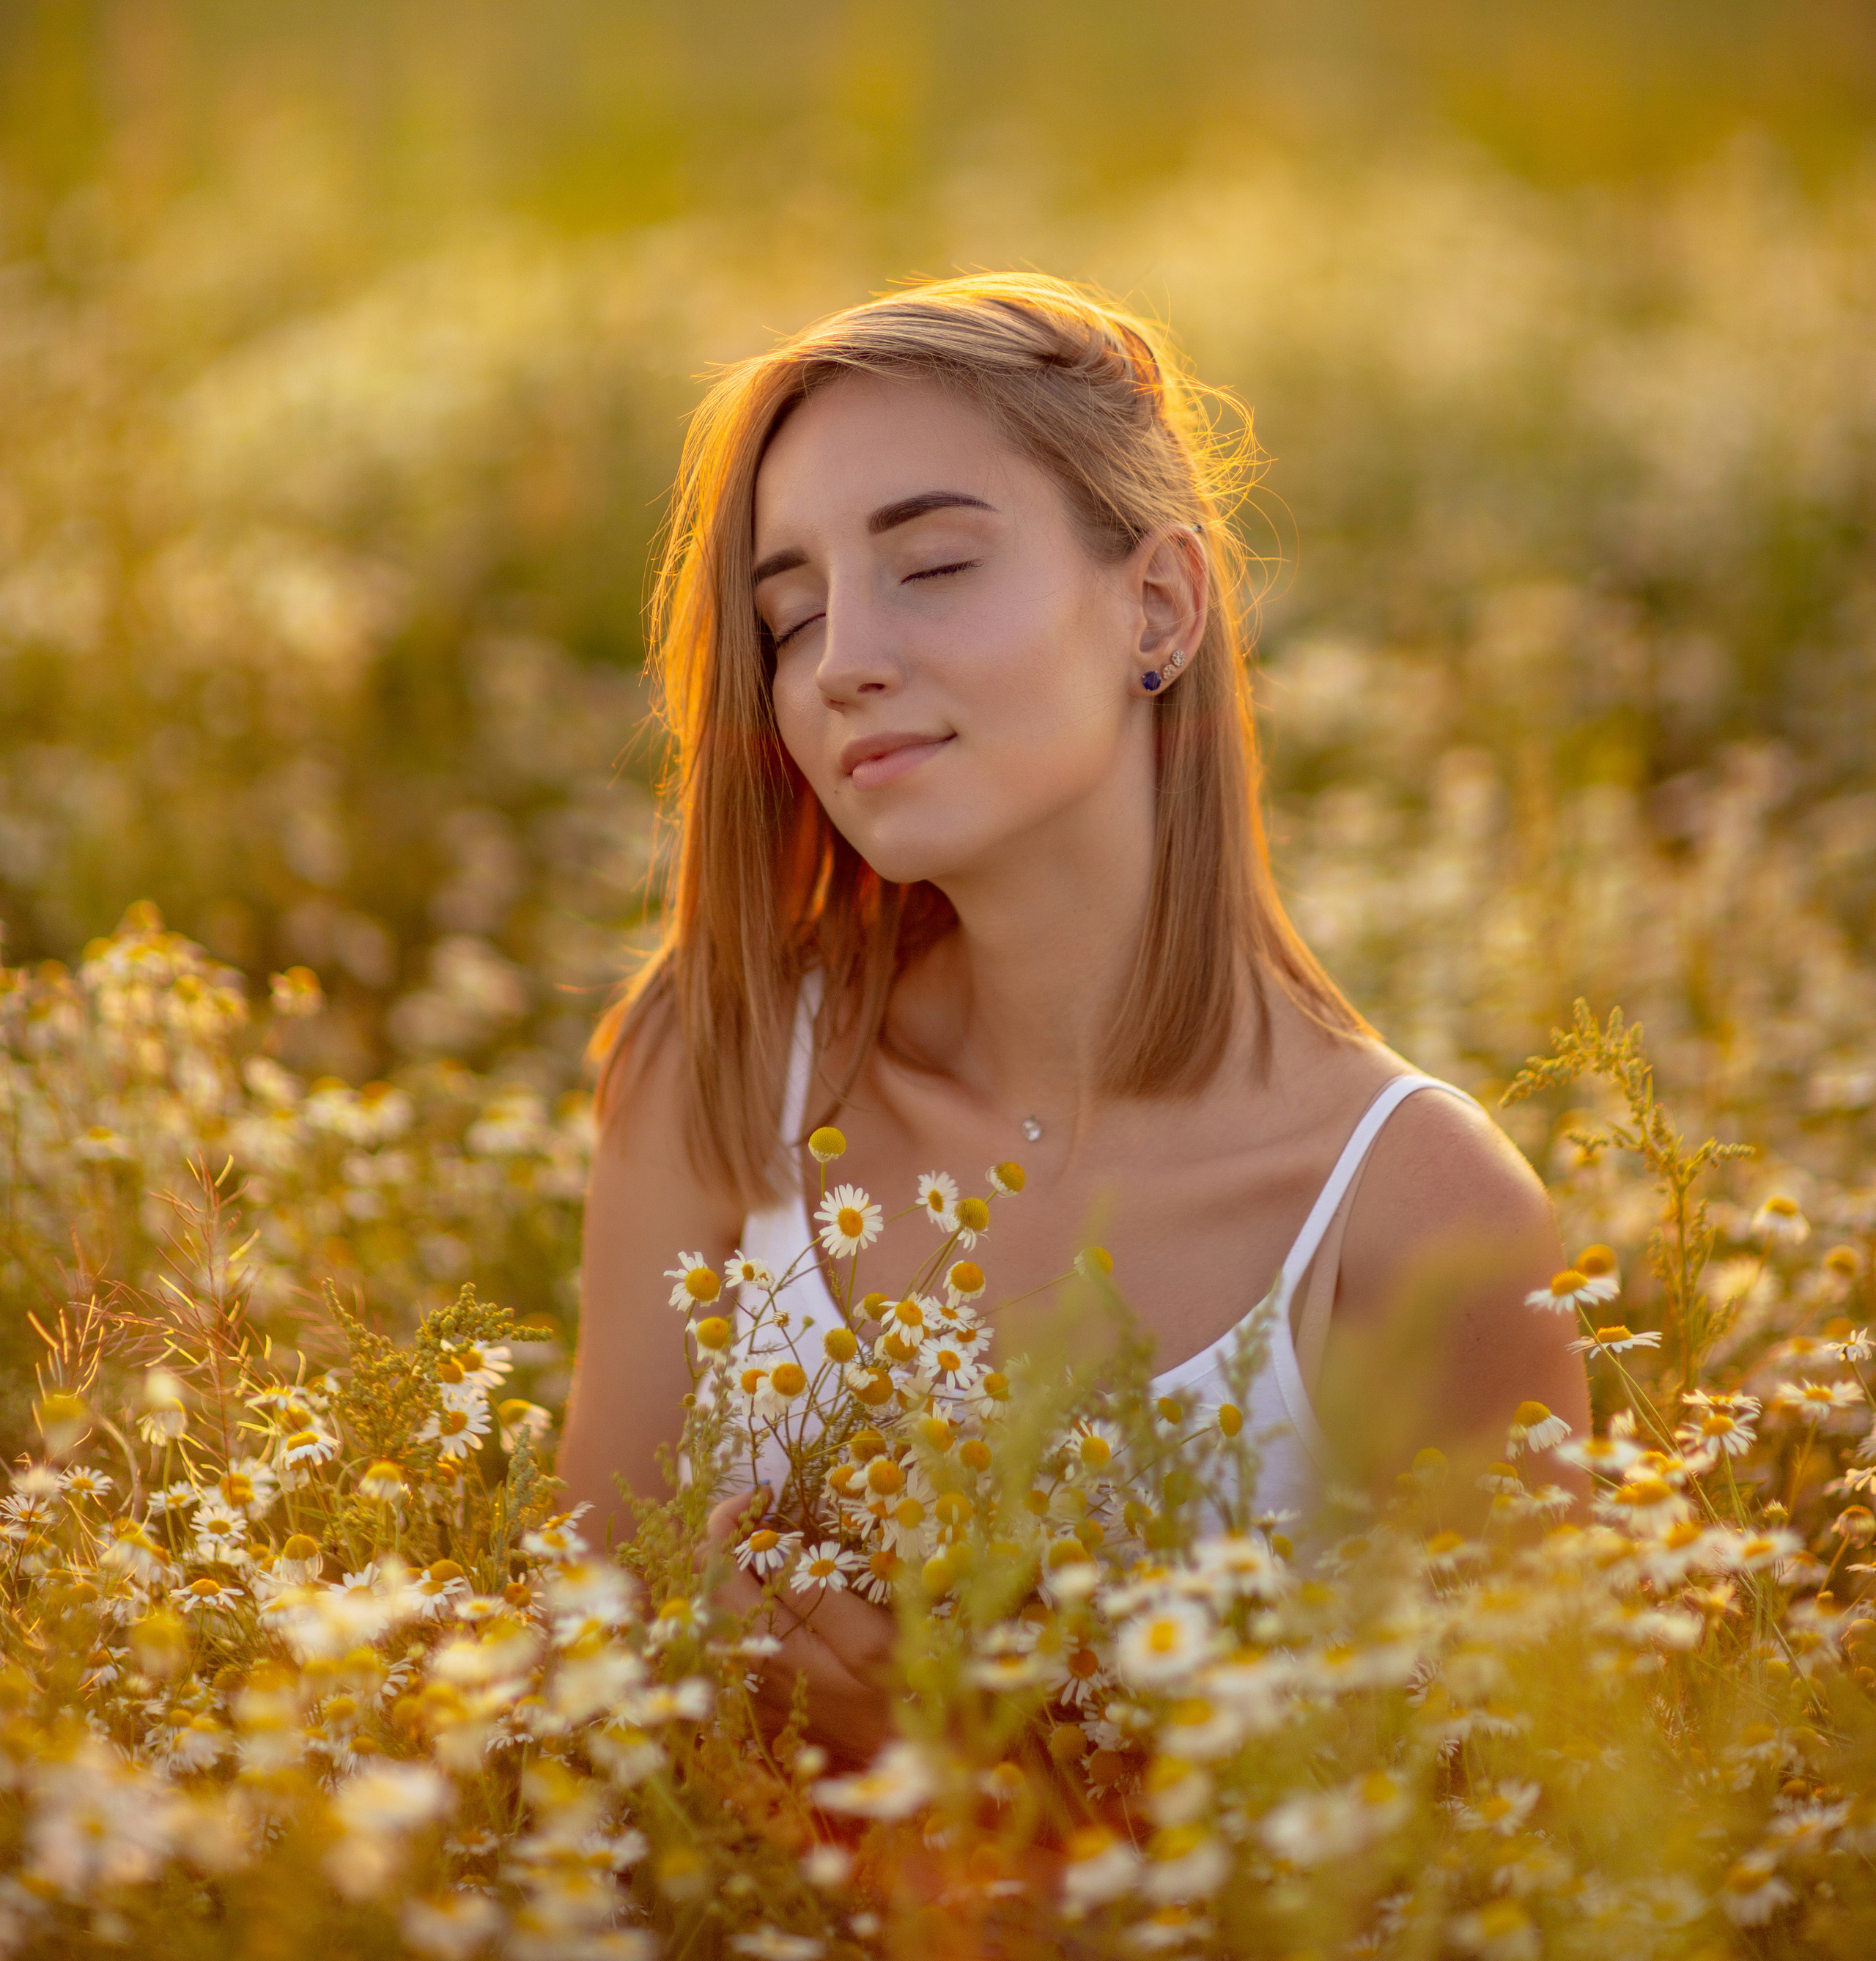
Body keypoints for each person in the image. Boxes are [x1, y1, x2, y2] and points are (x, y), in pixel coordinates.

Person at [558, 275, 1589, 1758]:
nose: (839, 658)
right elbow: (571, 1692)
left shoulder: (1414, 1213)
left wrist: (988, 1765)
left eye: (931, 565)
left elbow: (1524, 1841)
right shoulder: (718, 1066)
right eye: (788, 614)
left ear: (1155, 607)